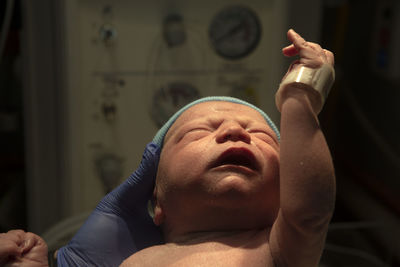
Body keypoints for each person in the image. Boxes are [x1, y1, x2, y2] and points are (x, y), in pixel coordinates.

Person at [0, 29, 335, 266]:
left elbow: (310, 210)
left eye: (262, 136)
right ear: (156, 200)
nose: (235, 131)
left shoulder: (278, 250)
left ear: (284, 192)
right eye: (197, 132)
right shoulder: (134, 261)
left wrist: (300, 95)